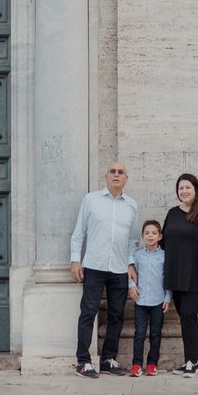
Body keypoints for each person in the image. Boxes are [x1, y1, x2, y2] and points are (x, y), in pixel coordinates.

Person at [68, 161, 140, 377]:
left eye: (121, 172)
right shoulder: (91, 200)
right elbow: (79, 232)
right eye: (112, 171)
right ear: (106, 176)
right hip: (94, 265)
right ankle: (83, 362)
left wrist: (130, 263)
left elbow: (133, 240)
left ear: (126, 178)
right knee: (88, 312)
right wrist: (75, 260)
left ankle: (109, 359)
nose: (116, 175)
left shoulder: (131, 205)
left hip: (119, 268)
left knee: (116, 315)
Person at [161, 172, 198, 377]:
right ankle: (192, 361)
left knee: (188, 313)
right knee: (185, 317)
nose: (184, 191)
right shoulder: (172, 213)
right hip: (176, 274)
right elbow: (164, 241)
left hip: (197, 276)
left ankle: (193, 362)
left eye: (188, 187)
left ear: (196, 189)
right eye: (181, 188)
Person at [126, 219, 168, 376]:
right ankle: (136, 364)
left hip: (158, 301)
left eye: (154, 233)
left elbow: (167, 278)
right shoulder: (137, 255)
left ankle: (152, 364)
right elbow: (132, 273)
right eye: (147, 233)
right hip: (141, 300)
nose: (150, 236)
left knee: (156, 333)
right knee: (139, 333)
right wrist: (132, 286)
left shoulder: (164, 255)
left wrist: (168, 297)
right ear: (142, 236)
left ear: (160, 236)